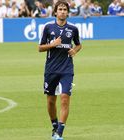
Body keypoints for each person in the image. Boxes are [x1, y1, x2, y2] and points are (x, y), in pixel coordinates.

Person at [39, 0, 82, 140]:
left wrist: (74, 50)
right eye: (60, 9)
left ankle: (59, 133)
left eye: (65, 9)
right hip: (51, 69)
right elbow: (40, 48)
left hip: (67, 69)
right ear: (55, 12)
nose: (63, 11)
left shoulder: (73, 29)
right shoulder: (48, 27)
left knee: (64, 99)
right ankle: (54, 125)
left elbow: (78, 45)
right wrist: (53, 44)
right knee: (51, 100)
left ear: (68, 12)